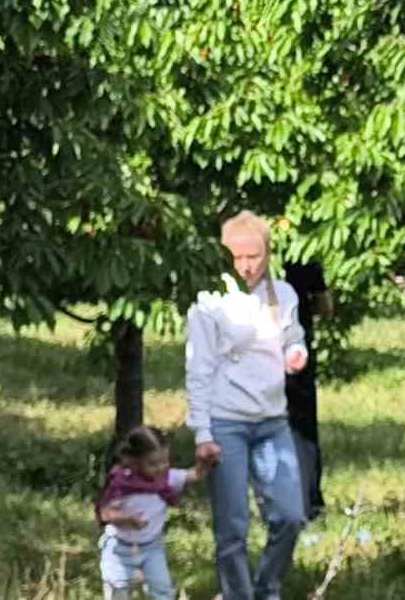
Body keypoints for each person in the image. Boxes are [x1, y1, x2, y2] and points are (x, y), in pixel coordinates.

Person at [186, 211, 310, 600]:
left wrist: (296, 352)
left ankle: (266, 590)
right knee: (232, 529)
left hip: (272, 421)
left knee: (290, 516)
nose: (245, 266)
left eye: (253, 256)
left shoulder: (283, 293)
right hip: (227, 424)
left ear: (267, 253)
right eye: (236, 257)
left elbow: (293, 335)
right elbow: (199, 367)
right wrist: (203, 432)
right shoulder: (209, 299)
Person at [95, 425, 209, 599]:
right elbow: (105, 513)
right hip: (120, 548)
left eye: (165, 461)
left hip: (152, 547)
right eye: (153, 463)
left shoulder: (166, 478)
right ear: (134, 462)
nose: (161, 467)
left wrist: (205, 463)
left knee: (163, 590)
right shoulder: (123, 483)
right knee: (118, 592)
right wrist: (126, 518)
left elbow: (194, 475)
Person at [282, 260, 329, 520]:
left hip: (258, 357)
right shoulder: (304, 256)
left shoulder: (244, 253)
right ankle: (310, 500)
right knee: (303, 428)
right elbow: (326, 305)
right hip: (297, 355)